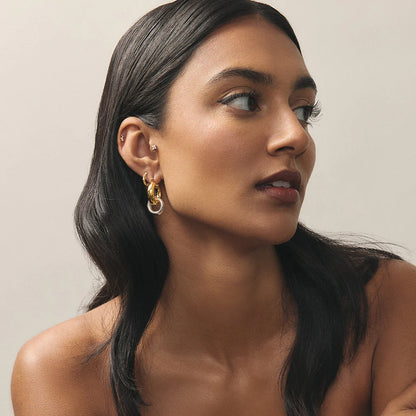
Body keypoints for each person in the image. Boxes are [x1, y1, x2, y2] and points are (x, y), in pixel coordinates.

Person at [11, 0, 416, 415]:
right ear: (144, 148)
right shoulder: (65, 372)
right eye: (244, 101)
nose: (296, 136)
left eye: (302, 110)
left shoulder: (389, 305)